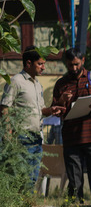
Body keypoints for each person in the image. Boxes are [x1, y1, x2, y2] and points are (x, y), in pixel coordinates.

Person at [0, 46, 64, 186]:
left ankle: (27, 205)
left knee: (32, 177)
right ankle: (20, 206)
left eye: (44, 64)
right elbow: (5, 107)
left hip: (36, 136)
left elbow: (41, 110)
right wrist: (9, 135)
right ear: (28, 63)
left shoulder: (37, 84)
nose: (43, 68)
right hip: (21, 137)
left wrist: (52, 109)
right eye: (40, 64)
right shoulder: (16, 81)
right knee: (21, 177)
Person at [52, 48, 91, 204]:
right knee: (74, 181)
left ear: (83, 61)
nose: (73, 68)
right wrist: (61, 100)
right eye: (70, 65)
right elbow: (55, 110)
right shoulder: (61, 84)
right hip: (71, 138)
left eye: (76, 64)